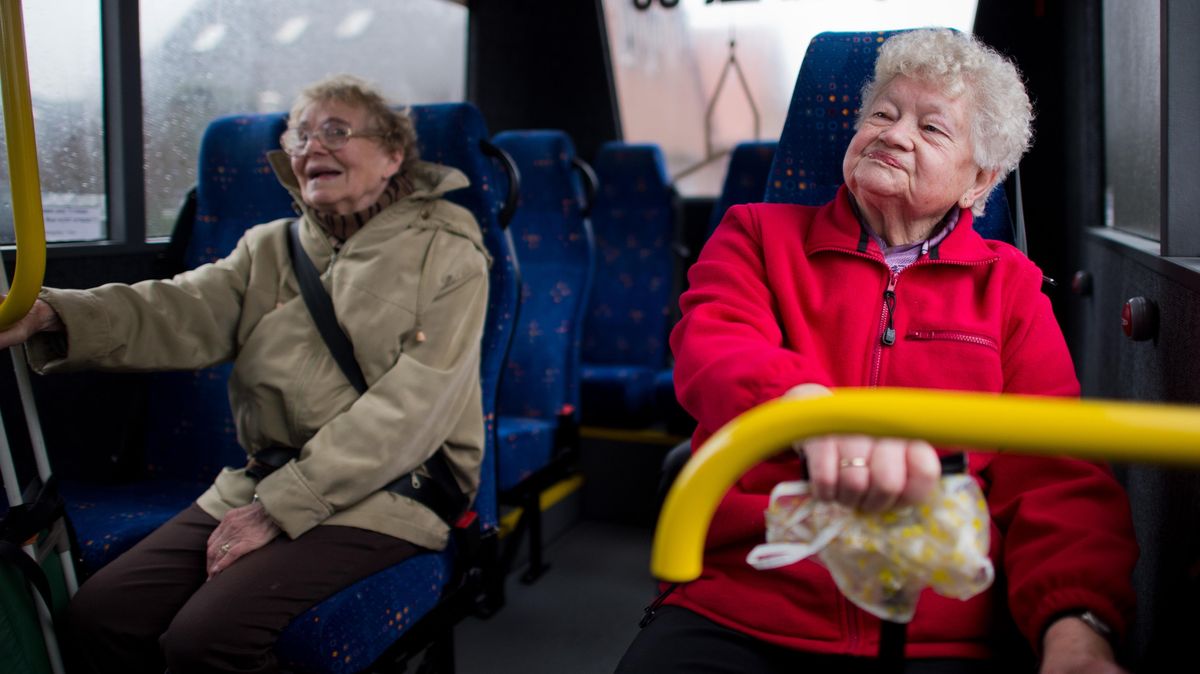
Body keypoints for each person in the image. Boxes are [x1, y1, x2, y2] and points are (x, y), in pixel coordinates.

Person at [617, 29, 1136, 674]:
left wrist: (1075, 627)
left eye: (932, 128)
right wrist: (809, 414)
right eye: (882, 114)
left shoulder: (1011, 289)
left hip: (941, 625)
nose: (894, 134)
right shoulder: (755, 235)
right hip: (747, 603)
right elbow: (714, 348)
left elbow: (1058, 477)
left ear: (979, 180)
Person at [0, 75, 490, 673]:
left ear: (392, 155)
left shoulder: (449, 254)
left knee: (205, 640)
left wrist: (277, 508)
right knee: (98, 617)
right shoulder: (270, 248)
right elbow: (180, 309)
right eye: (300, 133)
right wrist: (54, 312)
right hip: (268, 475)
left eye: (336, 130)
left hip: (390, 489)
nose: (313, 146)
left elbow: (411, 411)